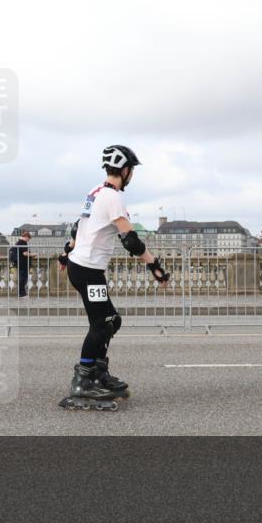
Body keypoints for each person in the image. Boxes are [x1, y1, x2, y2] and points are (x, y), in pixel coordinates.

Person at [57, 145, 170, 405]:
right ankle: (83, 382)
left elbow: (78, 227)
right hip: (88, 270)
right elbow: (130, 240)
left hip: (82, 266)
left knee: (111, 321)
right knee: (101, 324)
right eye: (132, 170)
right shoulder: (113, 197)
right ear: (125, 170)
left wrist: (65, 253)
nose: (132, 175)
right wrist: (156, 267)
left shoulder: (95, 192)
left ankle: (98, 372)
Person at [10, 231, 32, 297]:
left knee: (22, 277)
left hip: (20, 262)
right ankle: (21, 293)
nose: (28, 240)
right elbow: (25, 253)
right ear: (26, 237)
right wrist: (33, 254)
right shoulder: (23, 243)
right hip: (23, 263)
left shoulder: (18, 242)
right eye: (29, 238)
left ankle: (22, 292)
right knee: (23, 278)